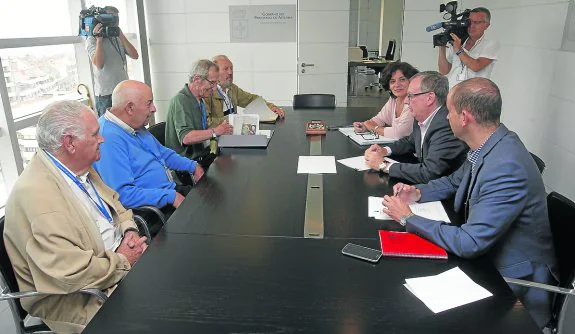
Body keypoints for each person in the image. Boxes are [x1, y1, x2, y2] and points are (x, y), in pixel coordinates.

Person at [383, 78, 558, 329]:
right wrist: (417, 193)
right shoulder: (492, 142)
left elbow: (471, 242)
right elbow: (454, 181)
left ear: (464, 117)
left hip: (512, 281)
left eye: (450, 112)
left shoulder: (505, 166)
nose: (446, 118)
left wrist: (408, 218)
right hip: (488, 256)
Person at [3, 100, 147, 333]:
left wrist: (129, 230)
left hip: (111, 265)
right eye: (95, 134)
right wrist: (123, 261)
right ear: (70, 143)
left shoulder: (79, 166)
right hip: (80, 296)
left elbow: (115, 203)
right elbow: (71, 274)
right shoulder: (39, 197)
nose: (102, 139)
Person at [94, 80, 204, 219]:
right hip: (153, 212)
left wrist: (192, 166)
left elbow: (163, 154)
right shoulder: (108, 138)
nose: (154, 108)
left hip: (168, 193)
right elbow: (123, 195)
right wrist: (170, 196)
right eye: (149, 103)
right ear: (130, 108)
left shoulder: (133, 124)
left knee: (212, 201)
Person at [364, 71, 467, 184]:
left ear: (430, 98)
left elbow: (429, 173)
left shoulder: (447, 125)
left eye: (410, 96)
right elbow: (410, 141)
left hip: (447, 194)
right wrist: (384, 150)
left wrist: (384, 165)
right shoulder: (423, 117)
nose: (407, 101)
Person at [165, 59, 233, 160]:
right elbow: (186, 137)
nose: (214, 88)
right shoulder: (181, 100)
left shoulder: (199, 100)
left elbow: (202, 131)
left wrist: (221, 130)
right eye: (212, 83)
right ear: (197, 80)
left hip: (201, 156)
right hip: (186, 164)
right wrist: (215, 131)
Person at [85, 5, 139, 116]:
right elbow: (99, 64)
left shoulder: (117, 37)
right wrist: (99, 40)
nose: (114, 21)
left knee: (128, 122)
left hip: (123, 90)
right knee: (108, 128)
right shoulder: (91, 40)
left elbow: (135, 55)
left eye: (116, 18)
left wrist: (121, 35)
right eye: (110, 18)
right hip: (106, 94)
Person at [206, 55, 285, 127]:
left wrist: (271, 107)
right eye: (226, 69)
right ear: (215, 72)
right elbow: (206, 122)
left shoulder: (232, 89)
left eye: (231, 68)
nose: (230, 72)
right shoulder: (208, 92)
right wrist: (233, 119)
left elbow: (252, 100)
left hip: (232, 134)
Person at [353, 62, 418, 139]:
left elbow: (399, 134)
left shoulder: (414, 102)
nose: (397, 85)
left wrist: (373, 127)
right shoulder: (394, 99)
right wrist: (364, 125)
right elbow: (380, 119)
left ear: (411, 81)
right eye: (392, 81)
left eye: (402, 80)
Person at [438, 7, 500, 89]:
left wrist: (459, 49)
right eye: (469, 22)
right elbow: (444, 71)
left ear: (486, 25)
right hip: (452, 91)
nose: (471, 26)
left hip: (473, 96)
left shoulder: (491, 44)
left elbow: (476, 66)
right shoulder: (458, 41)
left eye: (476, 22)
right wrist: (442, 47)